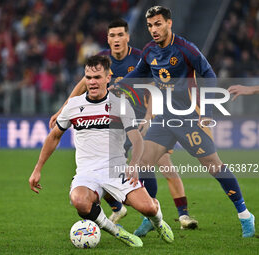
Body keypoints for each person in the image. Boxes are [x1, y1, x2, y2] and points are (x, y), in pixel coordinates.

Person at [49, 19, 198, 233]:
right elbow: (81, 86)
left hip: (137, 121)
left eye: (120, 35)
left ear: (127, 37)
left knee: (163, 163)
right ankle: (120, 208)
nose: (116, 39)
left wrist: (149, 116)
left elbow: (155, 88)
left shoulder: (140, 58)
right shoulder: (101, 60)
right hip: (111, 125)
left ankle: (180, 214)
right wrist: (62, 110)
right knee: (104, 169)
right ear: (107, 39)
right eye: (112, 36)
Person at [121, 6, 255, 238]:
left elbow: (209, 75)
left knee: (214, 166)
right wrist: (120, 83)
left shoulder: (185, 49)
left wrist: (208, 112)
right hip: (163, 119)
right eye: (150, 25)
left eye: (158, 24)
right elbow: (140, 73)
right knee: (142, 165)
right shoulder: (149, 50)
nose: (154, 29)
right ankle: (151, 216)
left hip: (189, 118)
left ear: (169, 23)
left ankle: (245, 215)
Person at [29, 55, 174, 247]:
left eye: (97, 77)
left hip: (117, 169)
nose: (92, 82)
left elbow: (137, 139)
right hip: (87, 173)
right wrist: (38, 168)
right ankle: (117, 232)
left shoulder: (120, 104)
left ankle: (158, 222)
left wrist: (134, 164)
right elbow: (54, 136)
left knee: (148, 208)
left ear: (108, 78)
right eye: (88, 77)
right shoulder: (73, 106)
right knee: (79, 201)